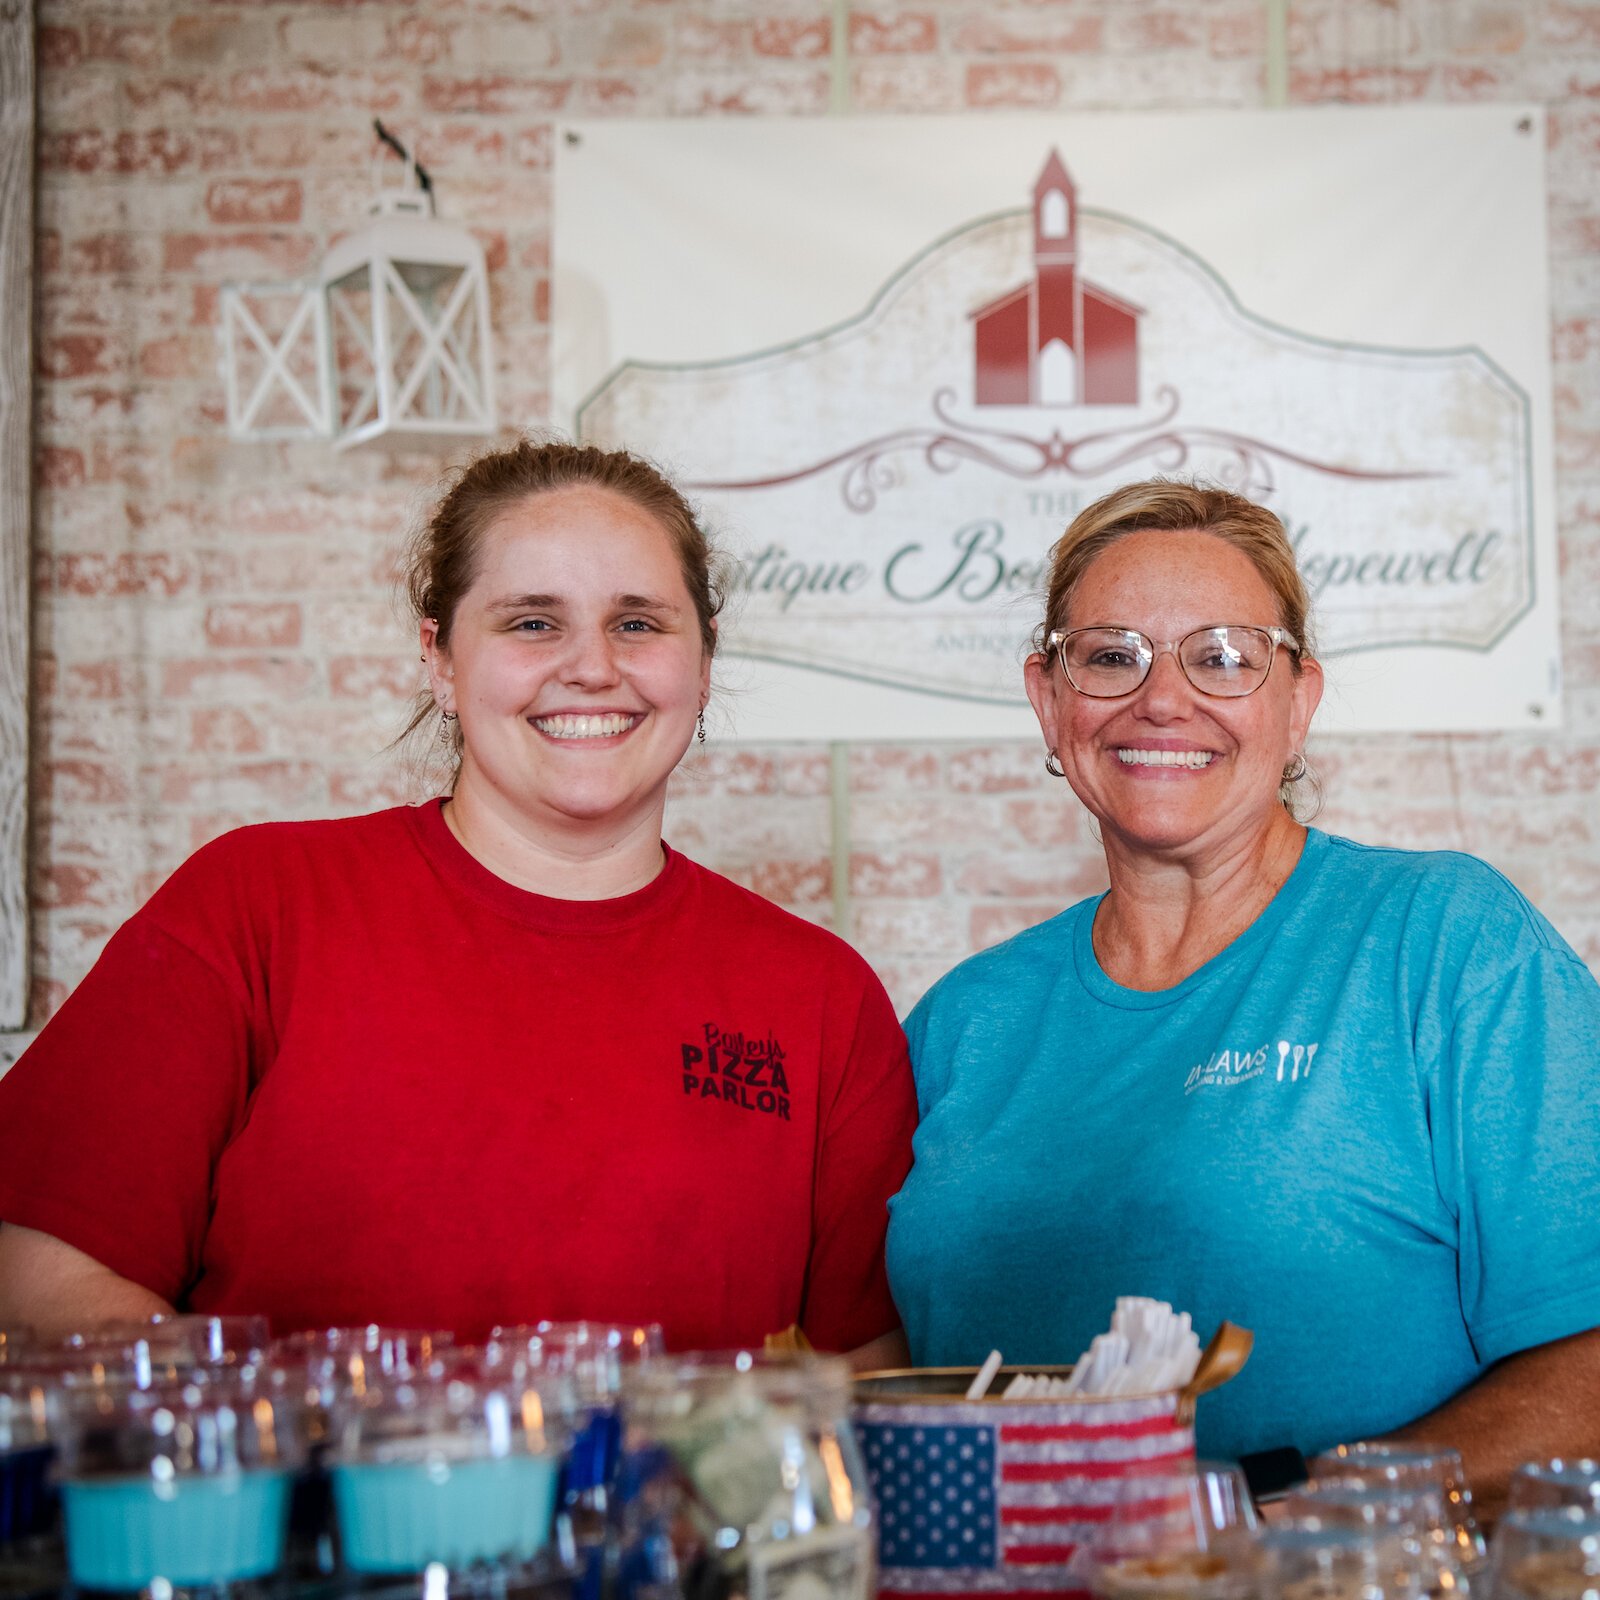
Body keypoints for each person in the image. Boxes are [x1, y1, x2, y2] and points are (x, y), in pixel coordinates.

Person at [0, 440, 916, 1362]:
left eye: (638, 623)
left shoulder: (820, 998)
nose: (593, 667)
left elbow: (864, 1374)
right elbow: (39, 1267)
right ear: (440, 660)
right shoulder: (256, 907)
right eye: (531, 623)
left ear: (704, 663)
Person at [885, 480, 1600, 1503]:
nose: (1162, 698)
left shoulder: (1445, 944)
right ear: (1050, 700)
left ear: (1297, 702)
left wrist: (1266, 1529)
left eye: (1223, 656)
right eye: (1108, 655)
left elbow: (1586, 1376)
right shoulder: (963, 1020)